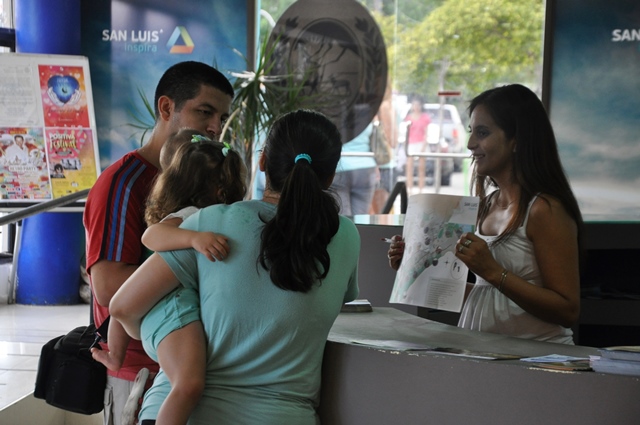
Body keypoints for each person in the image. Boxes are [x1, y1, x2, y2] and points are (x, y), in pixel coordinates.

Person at [110, 109, 360, 424]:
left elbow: (122, 307)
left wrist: (152, 331)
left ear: (263, 162)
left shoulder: (212, 224)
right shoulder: (346, 236)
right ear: (330, 176)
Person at [83, 61, 235, 425]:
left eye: (222, 117)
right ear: (167, 108)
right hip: (142, 371)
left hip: (191, 360)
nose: (215, 126)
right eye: (204, 112)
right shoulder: (125, 182)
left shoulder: (207, 180)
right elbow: (107, 287)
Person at [388, 84, 583, 344]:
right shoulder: (485, 204)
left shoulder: (545, 209)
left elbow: (567, 310)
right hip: (485, 355)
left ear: (517, 141)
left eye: (482, 132)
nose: (470, 144)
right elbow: (489, 296)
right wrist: (413, 268)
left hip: (535, 362)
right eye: (471, 132)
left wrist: (492, 271)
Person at [330, 123, 378, 216]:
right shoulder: (366, 115)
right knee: (361, 218)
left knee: (342, 216)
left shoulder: (336, 114)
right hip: (365, 167)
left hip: (340, 166)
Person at [403, 96, 431, 193]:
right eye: (415, 105)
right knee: (409, 168)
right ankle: (409, 189)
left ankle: (420, 189)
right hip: (411, 144)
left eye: (418, 105)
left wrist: (424, 145)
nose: (416, 107)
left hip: (420, 143)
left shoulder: (424, 118)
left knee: (421, 168)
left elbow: (426, 133)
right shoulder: (408, 118)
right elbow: (406, 133)